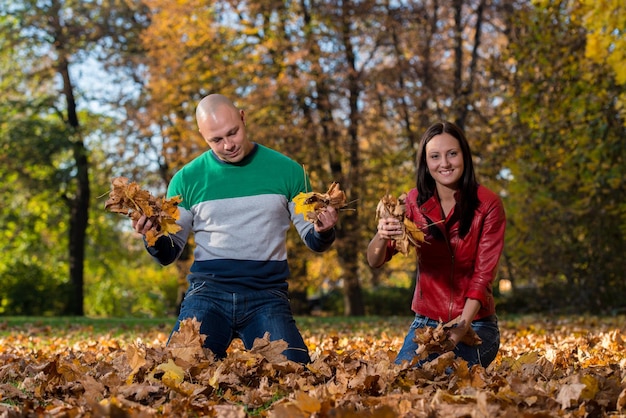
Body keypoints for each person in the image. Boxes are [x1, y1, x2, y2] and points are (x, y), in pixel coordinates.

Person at [132, 93, 338, 364]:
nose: (228, 145)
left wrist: (324, 230)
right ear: (202, 135)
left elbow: (313, 240)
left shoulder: (289, 171)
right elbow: (169, 253)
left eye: (233, 133)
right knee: (176, 373)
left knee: (295, 372)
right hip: (207, 293)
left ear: (243, 117)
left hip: (267, 294)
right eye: (216, 140)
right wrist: (152, 235)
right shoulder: (185, 180)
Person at [367, 121, 506, 368]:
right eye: (435, 156)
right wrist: (381, 235)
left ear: (464, 156)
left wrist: (458, 331)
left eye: (452, 153)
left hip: (475, 325)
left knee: (444, 377)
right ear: (426, 163)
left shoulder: (488, 205)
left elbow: (483, 277)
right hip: (427, 323)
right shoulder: (411, 203)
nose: (445, 163)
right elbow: (375, 260)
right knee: (403, 378)